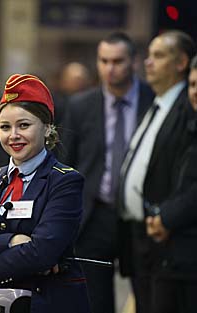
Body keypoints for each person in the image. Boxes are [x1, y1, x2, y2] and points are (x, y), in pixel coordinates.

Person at [0, 74, 90, 313]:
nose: (13, 135)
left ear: (47, 128)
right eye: (5, 127)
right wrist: (11, 241)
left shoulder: (64, 181)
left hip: (44, 303)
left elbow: (42, 253)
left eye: (23, 125)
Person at [61, 32, 154, 313]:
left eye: (118, 61)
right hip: (94, 215)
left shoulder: (154, 101)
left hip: (141, 217)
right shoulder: (80, 105)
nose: (110, 68)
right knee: (94, 303)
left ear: (134, 62)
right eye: (104, 61)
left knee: (149, 298)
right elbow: (66, 163)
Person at [119, 31, 196, 313]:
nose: (148, 63)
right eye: (149, 56)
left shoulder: (188, 106)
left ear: (181, 62)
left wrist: (167, 215)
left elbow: (187, 176)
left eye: (159, 56)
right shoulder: (155, 103)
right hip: (140, 235)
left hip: (168, 234)